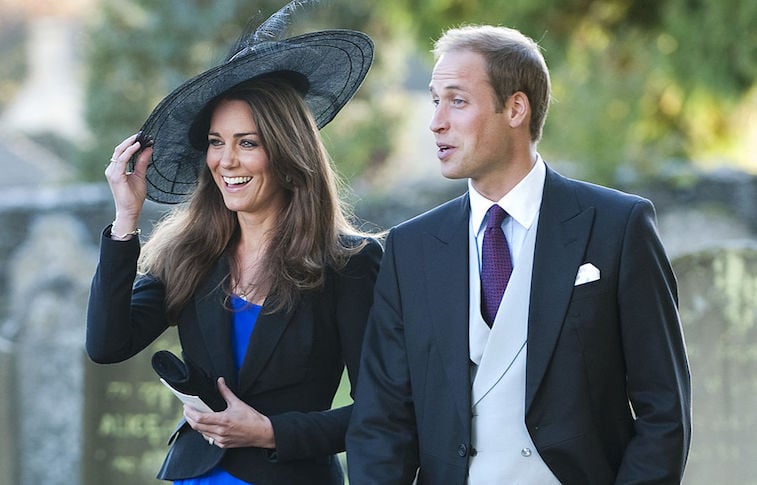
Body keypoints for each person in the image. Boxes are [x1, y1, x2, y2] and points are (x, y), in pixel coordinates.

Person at [346, 24, 691, 484]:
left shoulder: (617, 226)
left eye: (457, 100)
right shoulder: (411, 247)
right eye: (434, 100)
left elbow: (664, 409)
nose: (436, 121)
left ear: (515, 108)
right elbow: (381, 420)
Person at [86, 2, 381, 484]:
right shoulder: (189, 254)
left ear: (287, 152)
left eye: (248, 142)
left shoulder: (349, 263)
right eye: (216, 142)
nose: (226, 160)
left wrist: (270, 432)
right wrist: (126, 219)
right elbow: (106, 344)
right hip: (193, 476)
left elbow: (382, 408)